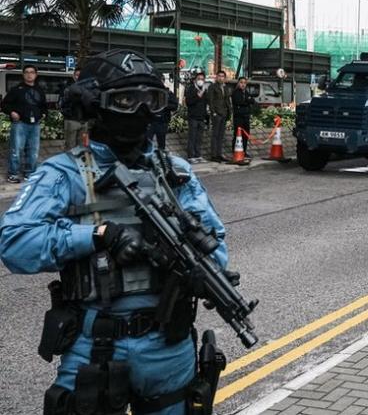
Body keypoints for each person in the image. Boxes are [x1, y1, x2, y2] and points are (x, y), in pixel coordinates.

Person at [0, 49, 229, 415]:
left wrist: (182, 258)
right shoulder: (64, 174)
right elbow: (15, 243)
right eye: (125, 100)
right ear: (95, 105)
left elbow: (216, 249)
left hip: (168, 345)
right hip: (96, 343)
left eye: (151, 100)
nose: (141, 112)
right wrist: (98, 235)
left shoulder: (177, 174)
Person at [2, 65, 48, 183]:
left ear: (36, 75)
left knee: (33, 151)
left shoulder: (40, 90)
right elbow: (4, 104)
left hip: (35, 125)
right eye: (26, 72)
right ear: (23, 75)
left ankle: (30, 173)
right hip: (20, 124)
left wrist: (43, 114)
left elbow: (44, 106)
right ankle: (13, 174)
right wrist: (12, 112)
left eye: (32, 72)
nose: (29, 74)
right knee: (16, 150)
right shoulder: (17, 89)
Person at [184, 71, 207, 163]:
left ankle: (198, 155)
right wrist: (198, 96)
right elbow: (188, 102)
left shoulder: (204, 90)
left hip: (201, 117)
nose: (201, 81)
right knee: (192, 137)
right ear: (195, 80)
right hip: (193, 117)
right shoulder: (191, 89)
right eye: (199, 79)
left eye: (202, 79)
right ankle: (191, 156)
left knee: (199, 137)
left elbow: (205, 103)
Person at [207, 71, 231, 162]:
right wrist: (213, 112)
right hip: (216, 113)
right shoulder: (212, 87)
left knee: (221, 135)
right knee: (215, 135)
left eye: (223, 76)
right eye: (219, 76)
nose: (221, 78)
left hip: (224, 113)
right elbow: (211, 101)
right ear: (216, 77)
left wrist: (229, 112)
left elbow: (227, 100)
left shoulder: (225, 88)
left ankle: (219, 154)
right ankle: (214, 155)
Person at [59, 69, 86, 150]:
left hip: (85, 122)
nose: (79, 77)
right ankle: (70, 162)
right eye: (77, 75)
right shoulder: (68, 89)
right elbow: (61, 104)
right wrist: (68, 115)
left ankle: (80, 162)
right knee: (70, 147)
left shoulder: (88, 88)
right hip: (72, 121)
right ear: (74, 76)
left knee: (83, 146)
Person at [146, 84, 178, 150]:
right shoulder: (150, 92)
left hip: (162, 122)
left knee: (161, 144)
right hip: (151, 122)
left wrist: (164, 104)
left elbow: (175, 106)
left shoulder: (168, 93)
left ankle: (161, 156)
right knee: (147, 142)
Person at [231, 77, 256, 159]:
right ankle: (235, 151)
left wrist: (247, 100)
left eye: (244, 83)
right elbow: (239, 102)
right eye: (241, 82)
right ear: (238, 83)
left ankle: (244, 151)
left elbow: (252, 100)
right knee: (238, 134)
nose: (243, 84)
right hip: (238, 117)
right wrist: (247, 100)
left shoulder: (246, 92)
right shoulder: (235, 92)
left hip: (246, 116)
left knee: (246, 135)